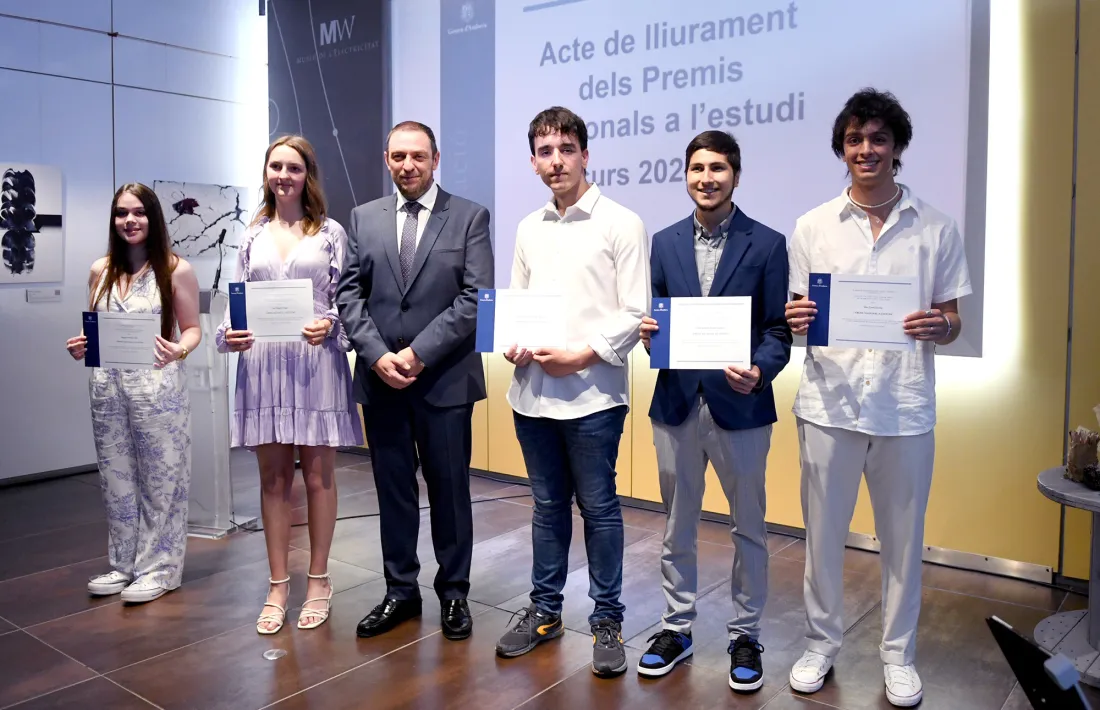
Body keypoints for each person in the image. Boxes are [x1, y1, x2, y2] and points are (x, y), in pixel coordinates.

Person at [784, 88, 971, 707]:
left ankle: (898, 656)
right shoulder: (811, 227)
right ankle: (820, 644)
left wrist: (939, 327)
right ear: (842, 148)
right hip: (828, 405)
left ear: (897, 148)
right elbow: (796, 317)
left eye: (878, 139)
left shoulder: (937, 228)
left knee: (903, 542)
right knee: (822, 538)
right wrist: (798, 318)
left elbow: (953, 320)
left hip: (904, 405)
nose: (866, 150)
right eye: (855, 140)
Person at [494, 106, 650, 678]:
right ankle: (545, 611)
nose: (555, 160)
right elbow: (517, 304)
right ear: (533, 161)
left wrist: (582, 355)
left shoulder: (621, 223)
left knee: (601, 510)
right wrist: (513, 343)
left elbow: (637, 312)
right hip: (532, 395)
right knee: (545, 508)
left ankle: (607, 619)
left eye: (564, 149)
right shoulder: (528, 227)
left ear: (585, 153)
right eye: (543, 151)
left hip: (594, 396)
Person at [637, 130, 792, 691]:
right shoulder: (665, 241)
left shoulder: (768, 243)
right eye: (697, 168)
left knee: (748, 526)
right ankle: (676, 628)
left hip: (742, 404)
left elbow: (778, 329)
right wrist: (650, 337)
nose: (707, 178)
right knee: (677, 525)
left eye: (718, 168)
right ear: (686, 174)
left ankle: (745, 633)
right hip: (676, 402)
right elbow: (656, 322)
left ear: (736, 175)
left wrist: (760, 367)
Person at [337, 121, 493, 641]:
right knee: (393, 492)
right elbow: (349, 295)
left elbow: (475, 298)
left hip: (444, 379)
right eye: (399, 156)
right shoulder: (363, 218)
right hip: (382, 381)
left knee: (450, 492)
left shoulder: (469, 217)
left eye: (418, 156)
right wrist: (379, 355)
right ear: (387, 159)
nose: (408, 165)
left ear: (436, 158)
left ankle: (454, 594)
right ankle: (400, 591)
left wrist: (418, 354)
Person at [215, 134, 363, 634]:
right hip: (261, 367)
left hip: (316, 364)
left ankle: (318, 579)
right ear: (266, 173)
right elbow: (235, 304)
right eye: (275, 166)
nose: (283, 175)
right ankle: (278, 585)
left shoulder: (332, 233)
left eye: (293, 168)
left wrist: (333, 325)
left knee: (319, 478)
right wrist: (228, 336)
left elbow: (347, 304)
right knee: (273, 481)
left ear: (309, 175)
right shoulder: (250, 235)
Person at [65, 182, 201, 604]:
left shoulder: (176, 269)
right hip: (107, 388)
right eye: (122, 213)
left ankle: (159, 567)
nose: (130, 221)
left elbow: (192, 328)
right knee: (117, 478)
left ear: (153, 218)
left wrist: (179, 347)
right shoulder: (99, 270)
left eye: (138, 213)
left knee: (162, 479)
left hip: (158, 388)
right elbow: (95, 328)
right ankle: (124, 563)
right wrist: (81, 346)